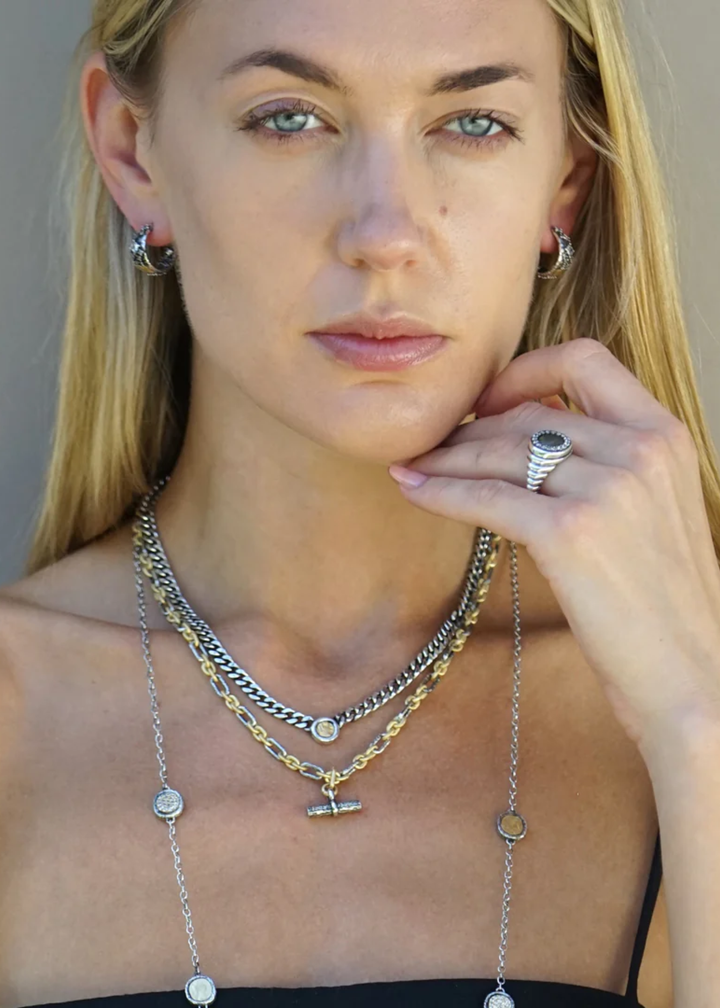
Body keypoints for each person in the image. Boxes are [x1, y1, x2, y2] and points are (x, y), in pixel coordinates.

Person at [1, 0, 719, 1005]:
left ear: (566, 176)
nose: (386, 234)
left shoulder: (682, 696)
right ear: (134, 153)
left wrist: (698, 728)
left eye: (472, 124)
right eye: (288, 118)